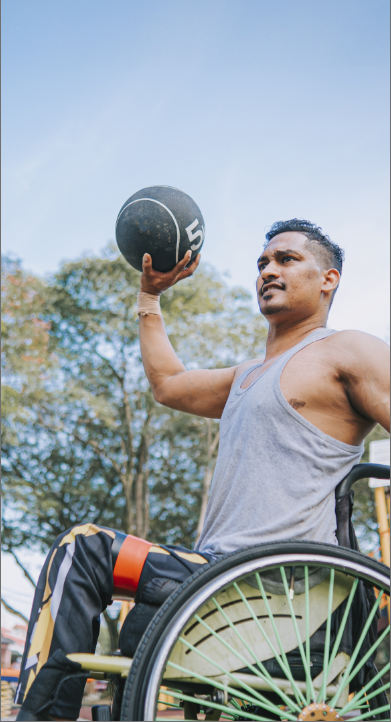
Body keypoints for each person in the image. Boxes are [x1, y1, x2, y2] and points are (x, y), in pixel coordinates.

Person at [16, 219, 390, 721]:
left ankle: (39, 718)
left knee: (81, 550)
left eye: (286, 259)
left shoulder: (348, 349)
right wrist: (150, 298)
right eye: (262, 263)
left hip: (276, 579)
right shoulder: (244, 377)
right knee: (131, 625)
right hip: (213, 572)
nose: (268, 271)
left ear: (329, 279)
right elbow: (168, 383)